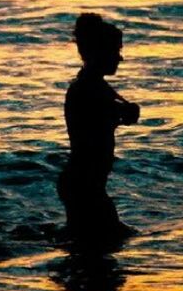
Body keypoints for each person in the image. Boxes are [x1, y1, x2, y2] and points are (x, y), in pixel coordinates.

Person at [58, 13, 139, 249]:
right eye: (115, 51)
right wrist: (124, 113)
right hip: (84, 184)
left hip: (85, 183)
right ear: (97, 53)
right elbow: (111, 115)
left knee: (91, 246)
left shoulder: (94, 85)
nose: (120, 58)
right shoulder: (88, 89)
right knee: (98, 246)